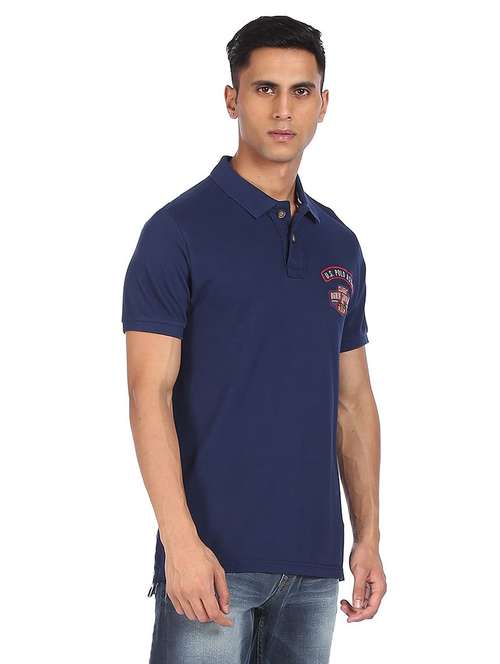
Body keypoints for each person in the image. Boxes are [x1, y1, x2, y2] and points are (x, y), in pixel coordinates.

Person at [121, 14, 387, 664]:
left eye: (301, 91)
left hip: (314, 568)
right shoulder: (177, 232)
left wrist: (368, 536)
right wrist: (180, 542)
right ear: (232, 98)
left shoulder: (339, 244)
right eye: (265, 88)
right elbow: (148, 393)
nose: (283, 110)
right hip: (211, 563)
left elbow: (353, 401)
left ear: (323, 104)